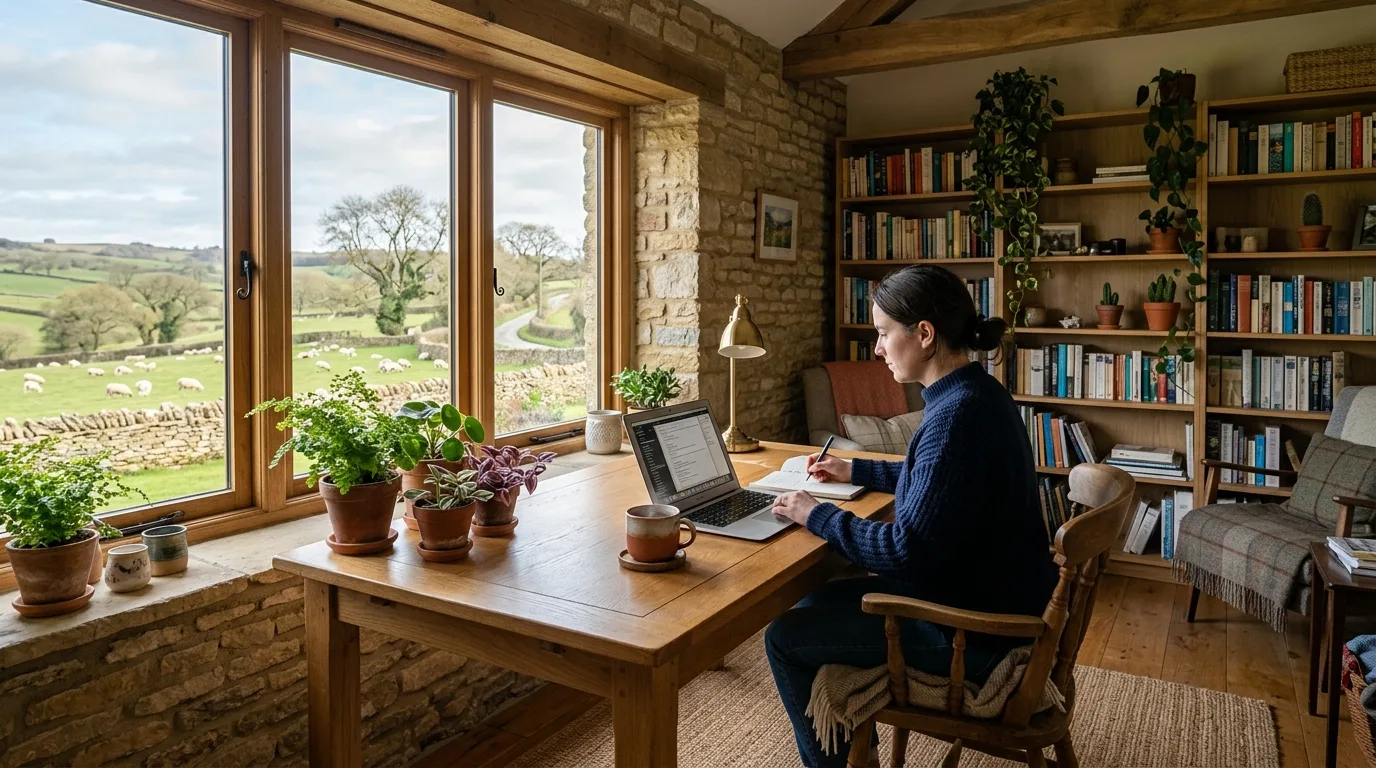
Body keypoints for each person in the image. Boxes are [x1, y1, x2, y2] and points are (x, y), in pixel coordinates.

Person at [765, 264, 1057, 768]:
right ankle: (860, 752)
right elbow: (938, 485)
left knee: (784, 638)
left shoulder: (954, 418)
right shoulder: (976, 394)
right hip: (996, 599)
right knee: (813, 600)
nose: (876, 348)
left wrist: (814, 514)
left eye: (882, 333)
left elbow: (905, 553)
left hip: (978, 630)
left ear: (923, 334)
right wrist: (853, 468)